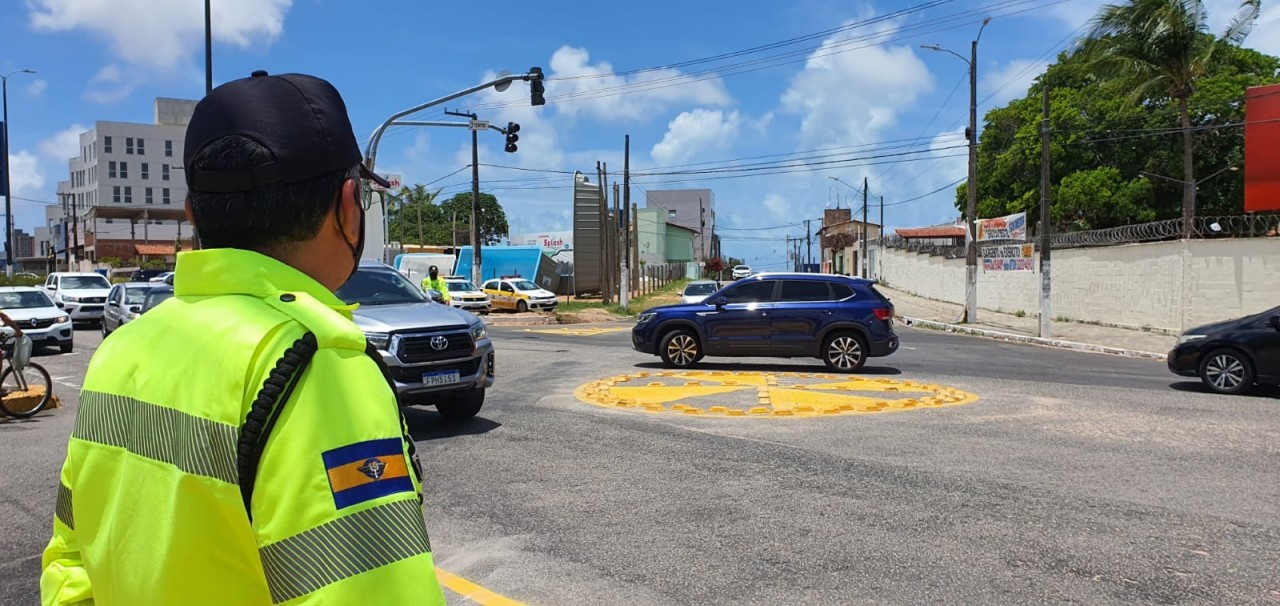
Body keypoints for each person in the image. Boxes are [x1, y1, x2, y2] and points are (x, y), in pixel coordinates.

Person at [40, 71, 446, 605]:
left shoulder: (122, 349)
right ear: (349, 204)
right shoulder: (311, 365)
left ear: (192, 215)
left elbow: (71, 559)